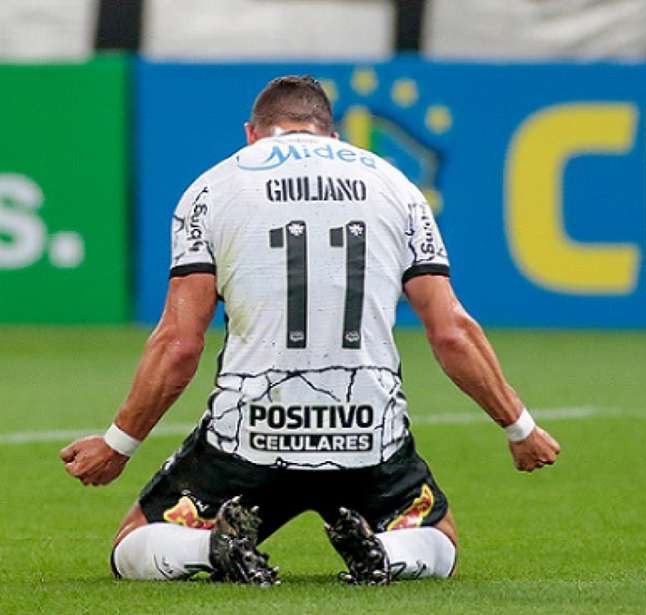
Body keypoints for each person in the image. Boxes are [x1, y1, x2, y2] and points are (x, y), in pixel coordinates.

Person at [59, 75, 560, 585]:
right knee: (441, 538)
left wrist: (117, 446)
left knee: (132, 543)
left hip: (249, 439)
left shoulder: (212, 188)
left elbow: (180, 343)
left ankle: (216, 550)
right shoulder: (397, 187)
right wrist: (519, 428)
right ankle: (386, 556)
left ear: (251, 133)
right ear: (334, 137)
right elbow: (450, 330)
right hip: (367, 436)